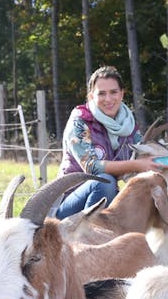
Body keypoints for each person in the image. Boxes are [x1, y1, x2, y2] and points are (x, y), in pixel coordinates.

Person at [52, 65, 160, 219]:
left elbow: (146, 155)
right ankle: (88, 238)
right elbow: (92, 167)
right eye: (101, 93)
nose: (108, 99)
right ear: (91, 97)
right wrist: (136, 165)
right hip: (68, 205)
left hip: (107, 198)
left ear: (122, 94)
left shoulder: (128, 124)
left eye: (113, 92)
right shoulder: (80, 122)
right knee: (105, 182)